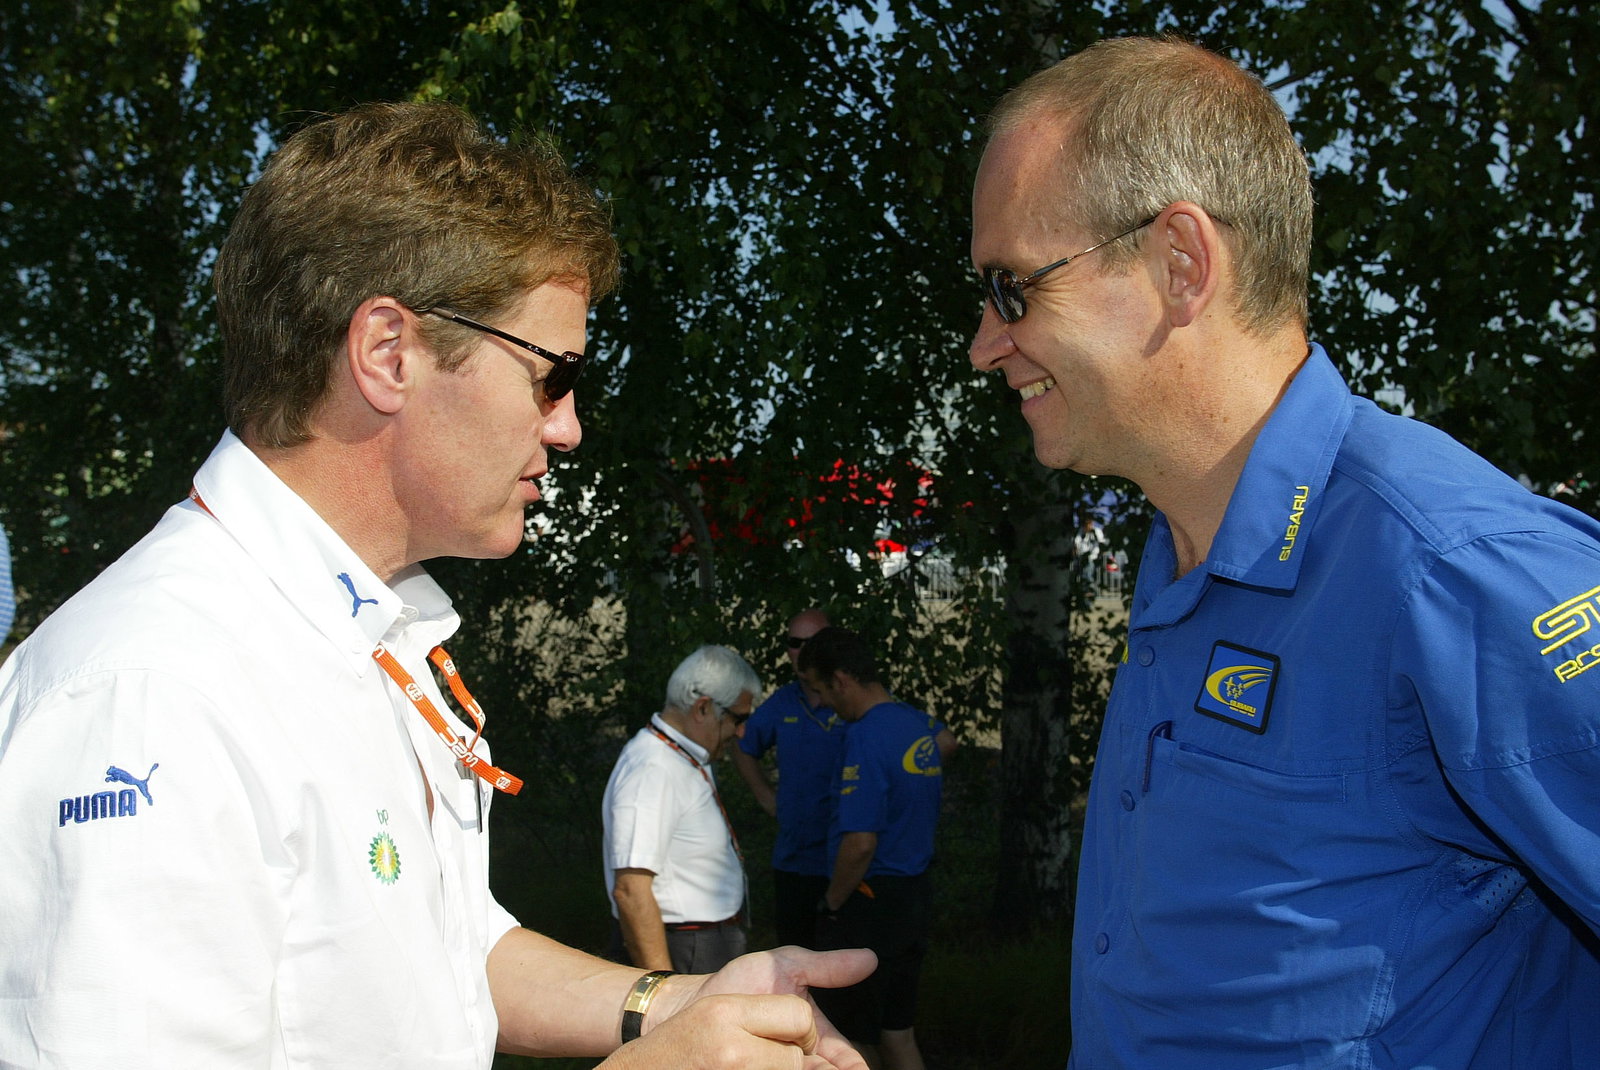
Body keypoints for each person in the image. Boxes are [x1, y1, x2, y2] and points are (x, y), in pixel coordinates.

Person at [0, 101, 874, 1070]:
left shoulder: (361, 635)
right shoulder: (153, 694)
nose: (567, 425)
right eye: (551, 374)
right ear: (388, 352)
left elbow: (445, 951)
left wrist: (679, 1000)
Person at [969, 34, 1600, 1070]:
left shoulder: (1448, 569)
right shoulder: (1179, 548)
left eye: (1013, 288)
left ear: (1180, 262)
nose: (983, 341)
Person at [800, 626, 949, 1070]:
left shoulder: (864, 737)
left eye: (820, 689)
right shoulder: (915, 725)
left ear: (841, 680)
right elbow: (950, 744)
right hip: (914, 897)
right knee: (898, 1033)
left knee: (851, 1041)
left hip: (872, 907)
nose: (821, 703)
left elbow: (860, 844)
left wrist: (831, 904)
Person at [603, 644, 759, 973]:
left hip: (700, 943)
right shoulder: (653, 768)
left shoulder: (679, 755)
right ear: (703, 708)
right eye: (739, 718)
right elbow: (631, 889)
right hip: (684, 948)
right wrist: (664, 988)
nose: (742, 731)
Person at [732, 607, 847, 949]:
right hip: (796, 861)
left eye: (814, 642)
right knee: (795, 963)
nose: (804, 652)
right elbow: (742, 744)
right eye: (795, 643)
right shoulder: (782, 704)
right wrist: (766, 796)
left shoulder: (855, 700)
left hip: (850, 862)